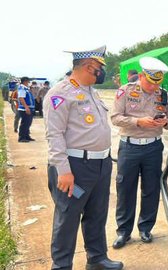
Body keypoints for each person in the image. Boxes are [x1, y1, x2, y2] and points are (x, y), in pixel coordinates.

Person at [43, 45, 123, 270]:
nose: (101, 73)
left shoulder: (91, 91)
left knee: (97, 214)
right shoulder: (60, 94)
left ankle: (97, 259)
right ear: (89, 67)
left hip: (100, 164)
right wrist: (63, 171)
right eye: (99, 68)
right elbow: (54, 134)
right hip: (75, 167)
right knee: (67, 219)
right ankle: (61, 266)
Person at [110, 56, 168, 249]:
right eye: (149, 82)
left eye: (157, 84)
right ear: (141, 76)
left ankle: (146, 228)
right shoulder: (125, 91)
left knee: (151, 189)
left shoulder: (164, 95)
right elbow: (115, 118)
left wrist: (165, 122)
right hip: (129, 147)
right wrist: (138, 122)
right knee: (125, 190)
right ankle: (123, 232)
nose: (152, 88)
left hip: (153, 148)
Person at [17, 77, 35, 142]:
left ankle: (27, 136)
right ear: (25, 81)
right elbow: (21, 98)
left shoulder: (26, 88)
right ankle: (22, 138)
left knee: (28, 123)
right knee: (24, 123)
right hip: (24, 109)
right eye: (28, 81)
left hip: (29, 108)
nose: (28, 83)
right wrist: (26, 107)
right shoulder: (22, 88)